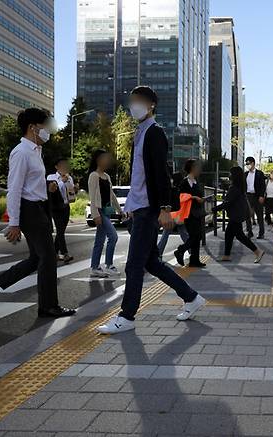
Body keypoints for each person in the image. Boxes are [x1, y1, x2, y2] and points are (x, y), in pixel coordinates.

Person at [97, 86, 205, 334]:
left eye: (140, 101)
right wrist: (131, 205)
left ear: (152, 105)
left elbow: (160, 174)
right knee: (152, 263)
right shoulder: (140, 132)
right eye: (132, 100)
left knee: (134, 265)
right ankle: (191, 297)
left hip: (149, 208)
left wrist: (165, 208)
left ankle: (127, 316)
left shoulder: (155, 133)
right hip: (140, 207)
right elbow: (139, 176)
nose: (134, 105)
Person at [0, 108, 76, 318]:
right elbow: (14, 188)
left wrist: (46, 189)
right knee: (48, 258)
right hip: (30, 210)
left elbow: (31, 183)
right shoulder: (21, 152)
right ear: (32, 128)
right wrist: (14, 222)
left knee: (36, 258)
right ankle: (48, 306)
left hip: (39, 207)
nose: (48, 131)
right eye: (45, 126)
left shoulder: (35, 151)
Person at [213, 166, 265, 263]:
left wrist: (215, 209)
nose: (229, 175)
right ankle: (226, 255)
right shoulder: (239, 187)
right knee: (229, 234)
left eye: (230, 173)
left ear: (234, 175)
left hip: (235, 215)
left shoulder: (234, 188)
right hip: (237, 214)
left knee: (240, 236)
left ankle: (258, 251)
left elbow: (228, 202)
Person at [87, 150, 122, 277]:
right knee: (113, 236)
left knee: (100, 240)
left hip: (106, 211)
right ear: (98, 160)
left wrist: (119, 210)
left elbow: (111, 194)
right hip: (99, 211)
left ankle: (95, 267)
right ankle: (109, 265)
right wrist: (95, 214)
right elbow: (92, 197)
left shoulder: (106, 176)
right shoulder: (93, 176)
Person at [175, 159, 207, 268]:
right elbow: (180, 197)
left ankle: (194, 260)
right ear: (192, 168)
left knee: (198, 236)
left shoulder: (196, 182)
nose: (199, 169)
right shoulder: (185, 182)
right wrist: (194, 197)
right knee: (195, 236)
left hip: (197, 213)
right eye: (197, 167)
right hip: (189, 213)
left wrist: (202, 199)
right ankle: (181, 250)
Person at [46, 158, 75, 263]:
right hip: (56, 206)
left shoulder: (69, 177)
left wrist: (71, 185)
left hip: (66, 205)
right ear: (56, 167)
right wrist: (62, 182)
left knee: (61, 230)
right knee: (60, 229)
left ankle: (53, 253)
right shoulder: (51, 177)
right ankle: (64, 253)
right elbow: (53, 190)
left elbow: (71, 191)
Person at [157, 171, 190, 261]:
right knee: (184, 235)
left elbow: (168, 203)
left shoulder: (171, 190)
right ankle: (192, 251)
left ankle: (159, 253)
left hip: (172, 216)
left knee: (165, 235)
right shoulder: (182, 190)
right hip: (180, 216)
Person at [244, 156, 266, 239]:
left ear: (253, 163)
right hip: (248, 196)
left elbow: (262, 186)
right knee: (247, 215)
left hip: (257, 196)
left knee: (259, 215)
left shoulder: (259, 173)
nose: (247, 165)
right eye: (246, 164)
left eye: (248, 163)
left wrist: (261, 196)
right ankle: (249, 232)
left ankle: (261, 233)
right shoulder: (245, 174)